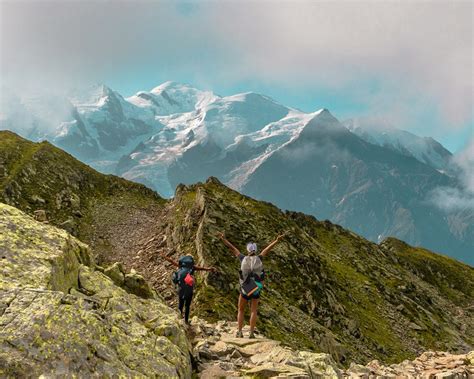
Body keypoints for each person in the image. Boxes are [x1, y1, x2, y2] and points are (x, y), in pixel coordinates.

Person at [217, 231, 286, 338]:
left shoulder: (242, 258)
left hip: (245, 286)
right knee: (253, 310)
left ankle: (239, 332)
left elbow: (232, 248)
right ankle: (252, 333)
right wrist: (276, 241)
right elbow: (267, 249)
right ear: (255, 250)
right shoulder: (259, 258)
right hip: (256, 285)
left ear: (248, 250)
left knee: (241, 309)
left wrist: (223, 239)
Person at [160, 252, 215, 325]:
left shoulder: (181, 266)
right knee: (187, 305)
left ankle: (179, 319)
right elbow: (202, 268)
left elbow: (172, 262)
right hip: (189, 288)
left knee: (180, 304)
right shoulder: (192, 267)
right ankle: (186, 321)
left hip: (181, 287)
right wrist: (209, 269)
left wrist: (164, 257)